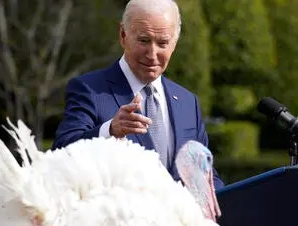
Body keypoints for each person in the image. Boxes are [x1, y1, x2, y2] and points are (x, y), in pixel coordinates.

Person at [52, 0, 224, 188]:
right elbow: (61, 154)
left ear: (174, 43)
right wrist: (110, 130)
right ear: (123, 35)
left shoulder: (187, 101)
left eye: (162, 43)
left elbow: (206, 175)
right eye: (143, 40)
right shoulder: (90, 90)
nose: (152, 53)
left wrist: (230, 204)